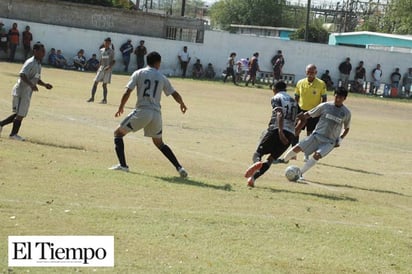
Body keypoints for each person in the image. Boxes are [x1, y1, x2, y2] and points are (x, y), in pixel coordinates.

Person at [109, 51, 188, 178]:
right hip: (156, 114)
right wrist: (182, 103)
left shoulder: (139, 73)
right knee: (159, 143)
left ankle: (123, 166)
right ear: (158, 63)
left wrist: (121, 107)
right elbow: (174, 93)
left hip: (143, 111)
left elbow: (128, 91)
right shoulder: (162, 77)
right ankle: (179, 168)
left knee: (118, 134)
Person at [277, 87, 351, 182]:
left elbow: (347, 128)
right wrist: (298, 118)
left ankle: (300, 173)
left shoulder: (346, 113)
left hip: (330, 141)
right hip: (316, 136)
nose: (338, 99)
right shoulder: (325, 106)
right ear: (334, 95)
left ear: (344, 98)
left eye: (340, 98)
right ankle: (284, 160)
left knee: (317, 155)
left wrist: (341, 139)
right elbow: (309, 114)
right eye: (336, 96)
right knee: (298, 147)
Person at [244, 81, 298, 187]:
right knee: (271, 159)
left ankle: (257, 162)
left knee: (258, 153)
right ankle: (253, 179)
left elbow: (280, 113)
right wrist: (294, 133)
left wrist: (280, 132)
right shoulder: (294, 101)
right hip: (290, 134)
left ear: (274, 89)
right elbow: (301, 118)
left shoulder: (276, 97)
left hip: (276, 129)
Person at [0, 42, 53, 141]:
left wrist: (45, 84)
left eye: (44, 51)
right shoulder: (31, 62)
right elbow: (22, 75)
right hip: (21, 91)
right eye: (42, 51)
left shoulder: (38, 64)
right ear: (35, 51)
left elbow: (36, 78)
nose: (44, 53)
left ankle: (1, 124)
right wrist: (31, 85)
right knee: (20, 114)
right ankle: (13, 134)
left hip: (27, 91)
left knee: (19, 113)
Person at [294, 64, 327, 160]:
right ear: (306, 72)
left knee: (310, 133)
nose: (310, 74)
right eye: (308, 72)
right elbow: (296, 96)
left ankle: (306, 154)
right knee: (296, 131)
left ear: (316, 73)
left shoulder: (321, 84)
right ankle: (293, 152)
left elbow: (324, 98)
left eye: (312, 72)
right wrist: (296, 108)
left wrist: (321, 110)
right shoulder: (300, 82)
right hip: (301, 110)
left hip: (314, 112)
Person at [87, 37, 115, 104]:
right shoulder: (102, 50)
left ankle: (104, 99)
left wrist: (109, 66)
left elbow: (113, 61)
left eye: (108, 43)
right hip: (101, 68)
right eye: (105, 42)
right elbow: (101, 59)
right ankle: (92, 98)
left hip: (108, 69)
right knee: (95, 82)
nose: (106, 44)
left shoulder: (111, 51)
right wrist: (98, 68)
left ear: (110, 43)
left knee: (104, 85)